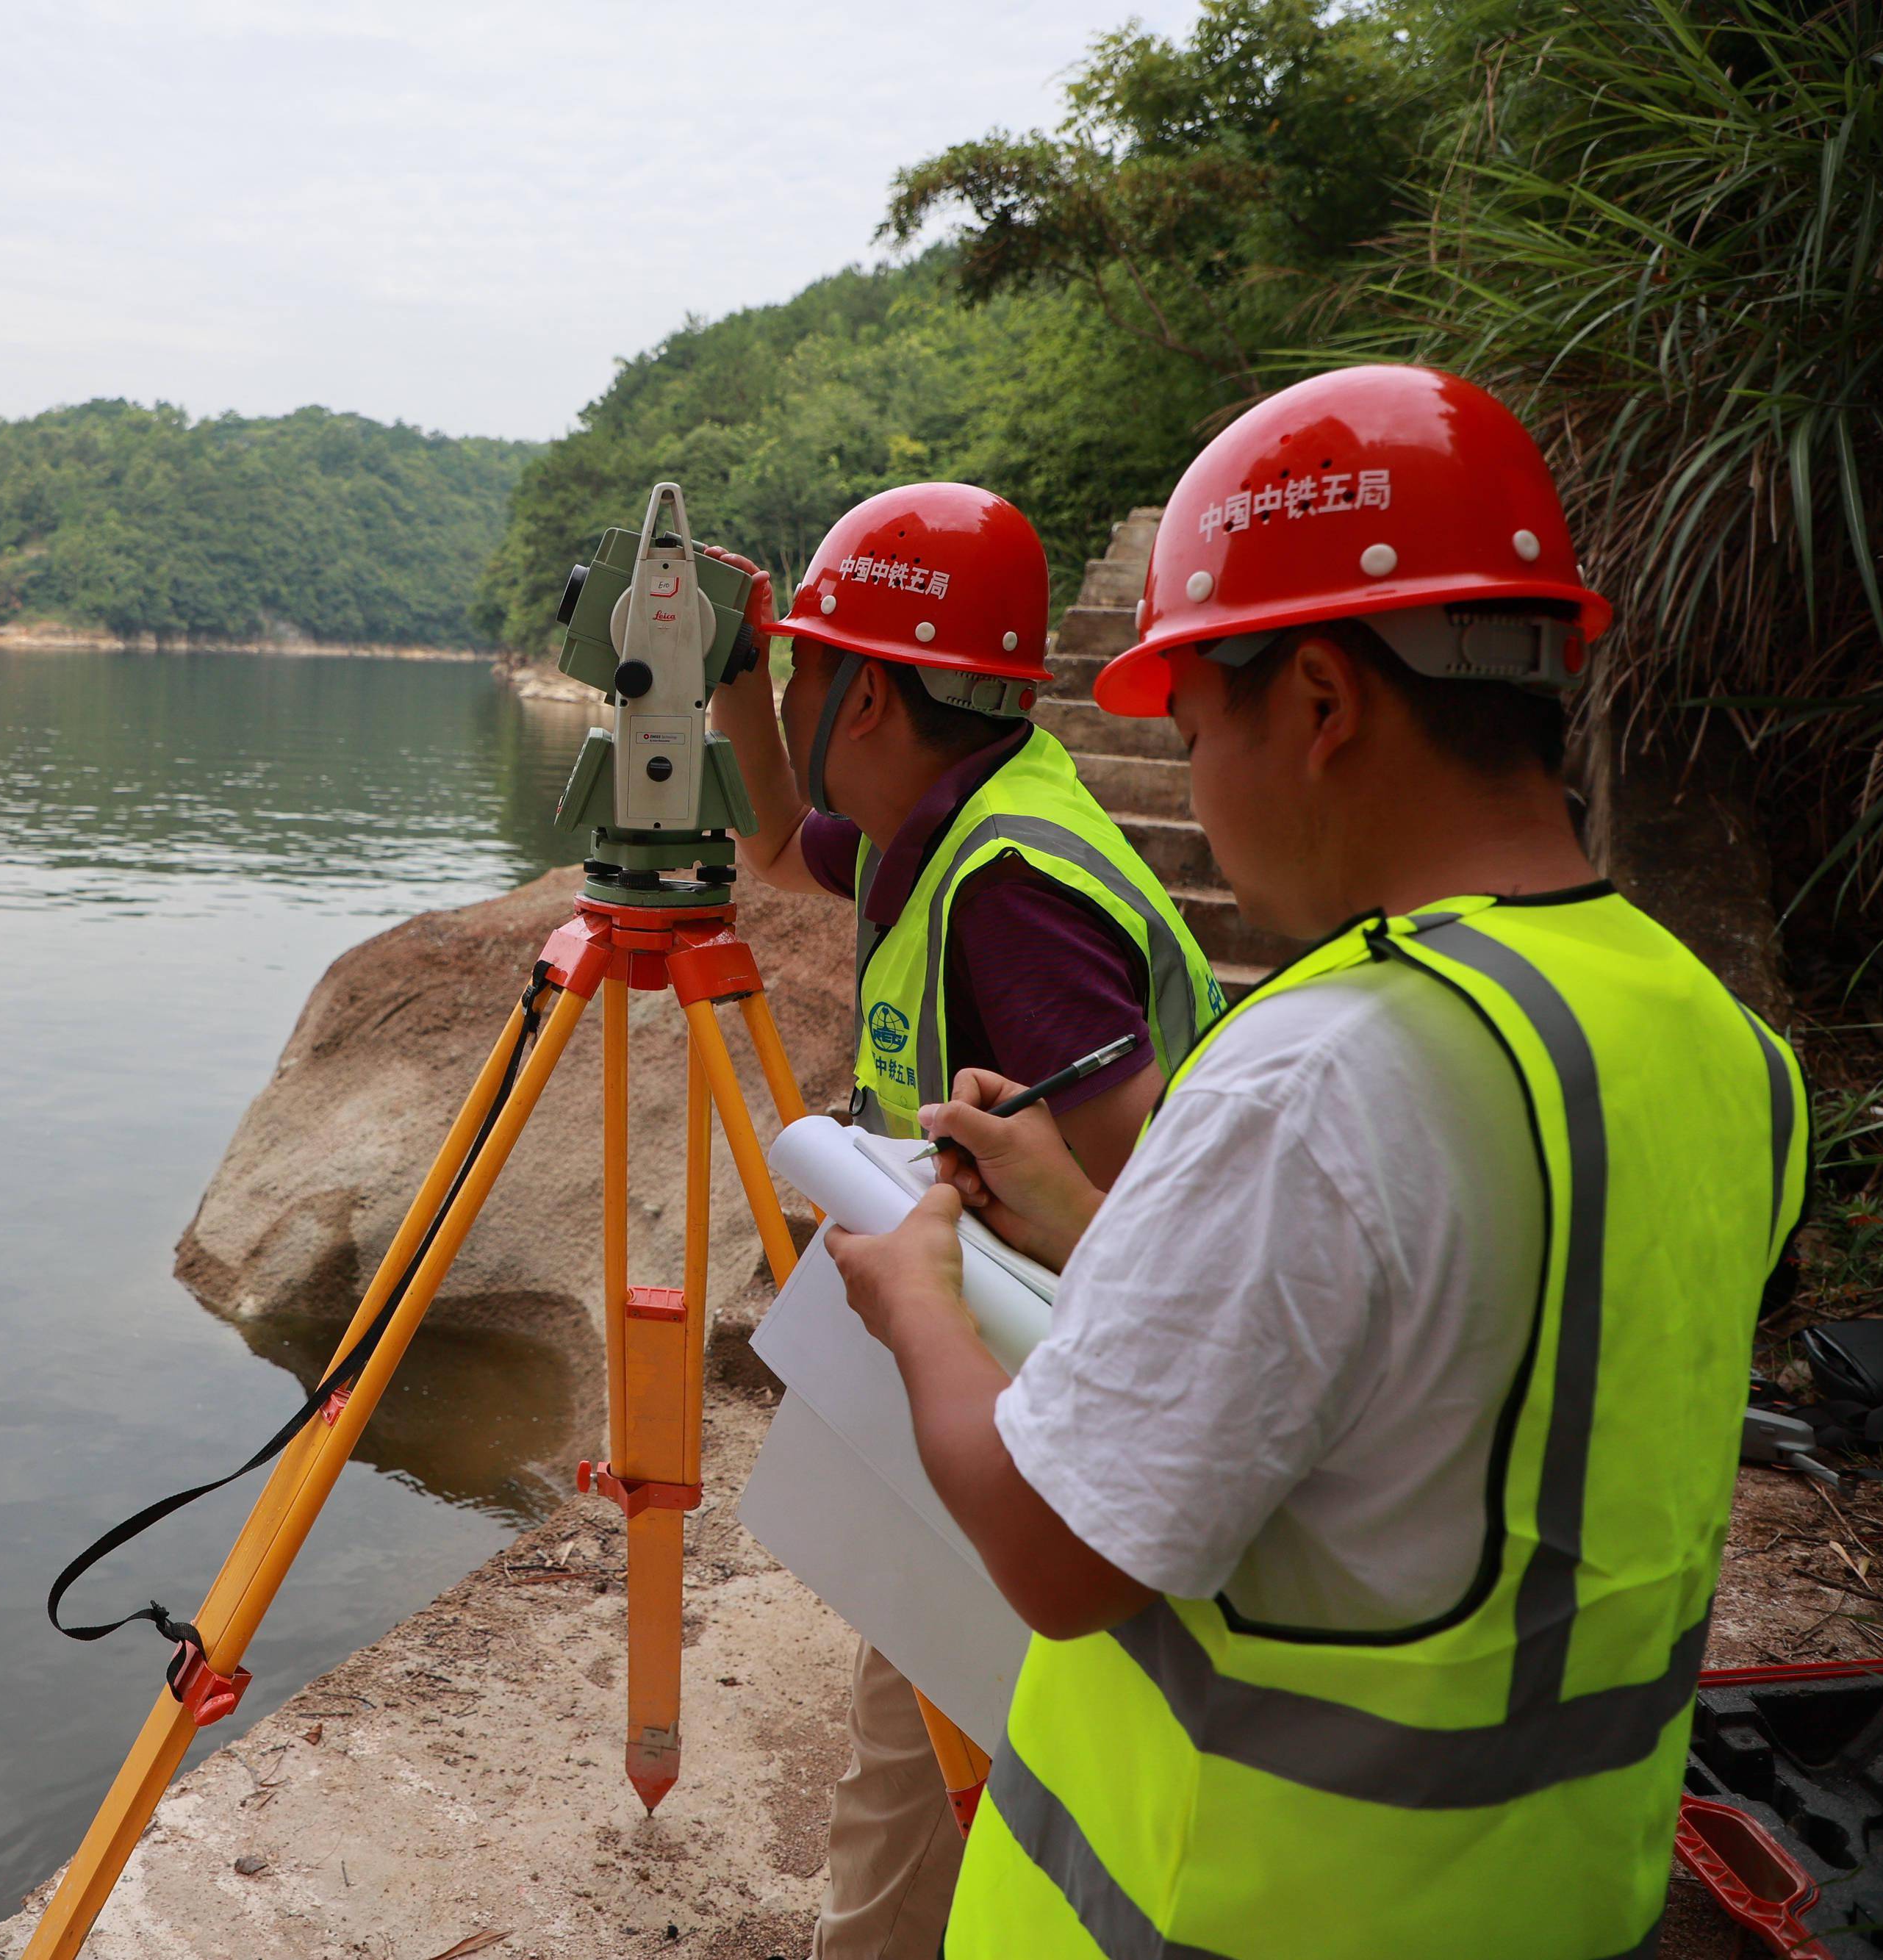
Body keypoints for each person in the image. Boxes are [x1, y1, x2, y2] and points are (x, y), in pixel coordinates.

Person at [822, 365, 1811, 1959]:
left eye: (1196, 723)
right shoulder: (1719, 1040)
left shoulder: (1319, 1067)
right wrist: (1092, 1225)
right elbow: (1446, 1377)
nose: (1196, 792)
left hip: (1238, 1913)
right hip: (1555, 1903)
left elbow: (1051, 1547)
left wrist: (919, 1298)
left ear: (1319, 705)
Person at [705, 483, 1224, 1960]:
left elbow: (1150, 1207)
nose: (796, 687)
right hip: (993, 1346)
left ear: (863, 692)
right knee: (923, 1725)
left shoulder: (1009, 890)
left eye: (806, 663)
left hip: (1043, 1385)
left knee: (918, 1747)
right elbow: (770, 843)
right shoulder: (946, 815)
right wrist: (740, 678)